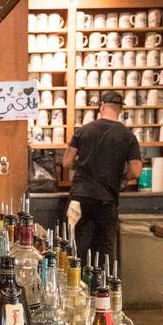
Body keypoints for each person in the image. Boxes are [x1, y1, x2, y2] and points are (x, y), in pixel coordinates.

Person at [62, 91, 142, 264]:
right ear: (120, 110)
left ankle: (75, 281)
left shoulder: (83, 131)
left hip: (80, 197)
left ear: (102, 106)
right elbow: (136, 171)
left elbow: (67, 162)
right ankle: (102, 281)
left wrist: (81, 165)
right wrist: (123, 177)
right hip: (107, 200)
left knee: (75, 248)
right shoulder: (128, 136)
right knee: (104, 251)